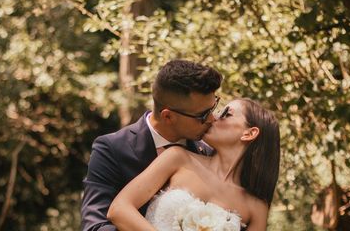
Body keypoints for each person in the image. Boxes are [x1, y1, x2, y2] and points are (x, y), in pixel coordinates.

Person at [81, 59, 223, 231]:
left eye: (213, 107)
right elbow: (95, 226)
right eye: (203, 115)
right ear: (168, 116)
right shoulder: (111, 149)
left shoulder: (208, 153)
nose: (212, 119)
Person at [107, 98, 280, 231]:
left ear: (249, 133)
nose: (212, 118)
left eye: (226, 114)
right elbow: (119, 209)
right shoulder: (177, 157)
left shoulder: (256, 207)